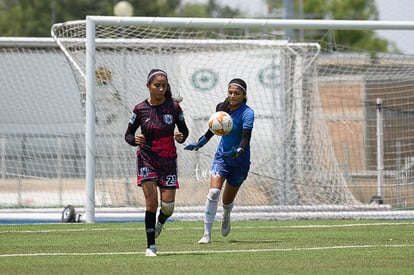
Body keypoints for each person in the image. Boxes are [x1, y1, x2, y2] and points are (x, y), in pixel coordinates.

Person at [124, 69, 189, 256]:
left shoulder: (174, 107)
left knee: (168, 207)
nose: (161, 88)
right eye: (157, 85)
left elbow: (184, 132)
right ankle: (151, 246)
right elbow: (128, 134)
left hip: (168, 160)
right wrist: (134, 139)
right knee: (151, 203)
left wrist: (180, 136)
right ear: (148, 86)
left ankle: (160, 221)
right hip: (147, 159)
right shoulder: (140, 109)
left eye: (164, 85)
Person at [184, 78, 254, 244]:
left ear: (244, 95)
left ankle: (227, 214)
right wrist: (200, 143)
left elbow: (246, 137)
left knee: (226, 201)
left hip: (240, 161)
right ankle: (206, 234)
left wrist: (239, 151)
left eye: (237, 93)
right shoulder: (221, 108)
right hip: (222, 157)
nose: (232, 95)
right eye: (230, 92)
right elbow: (213, 129)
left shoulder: (247, 113)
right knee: (214, 192)